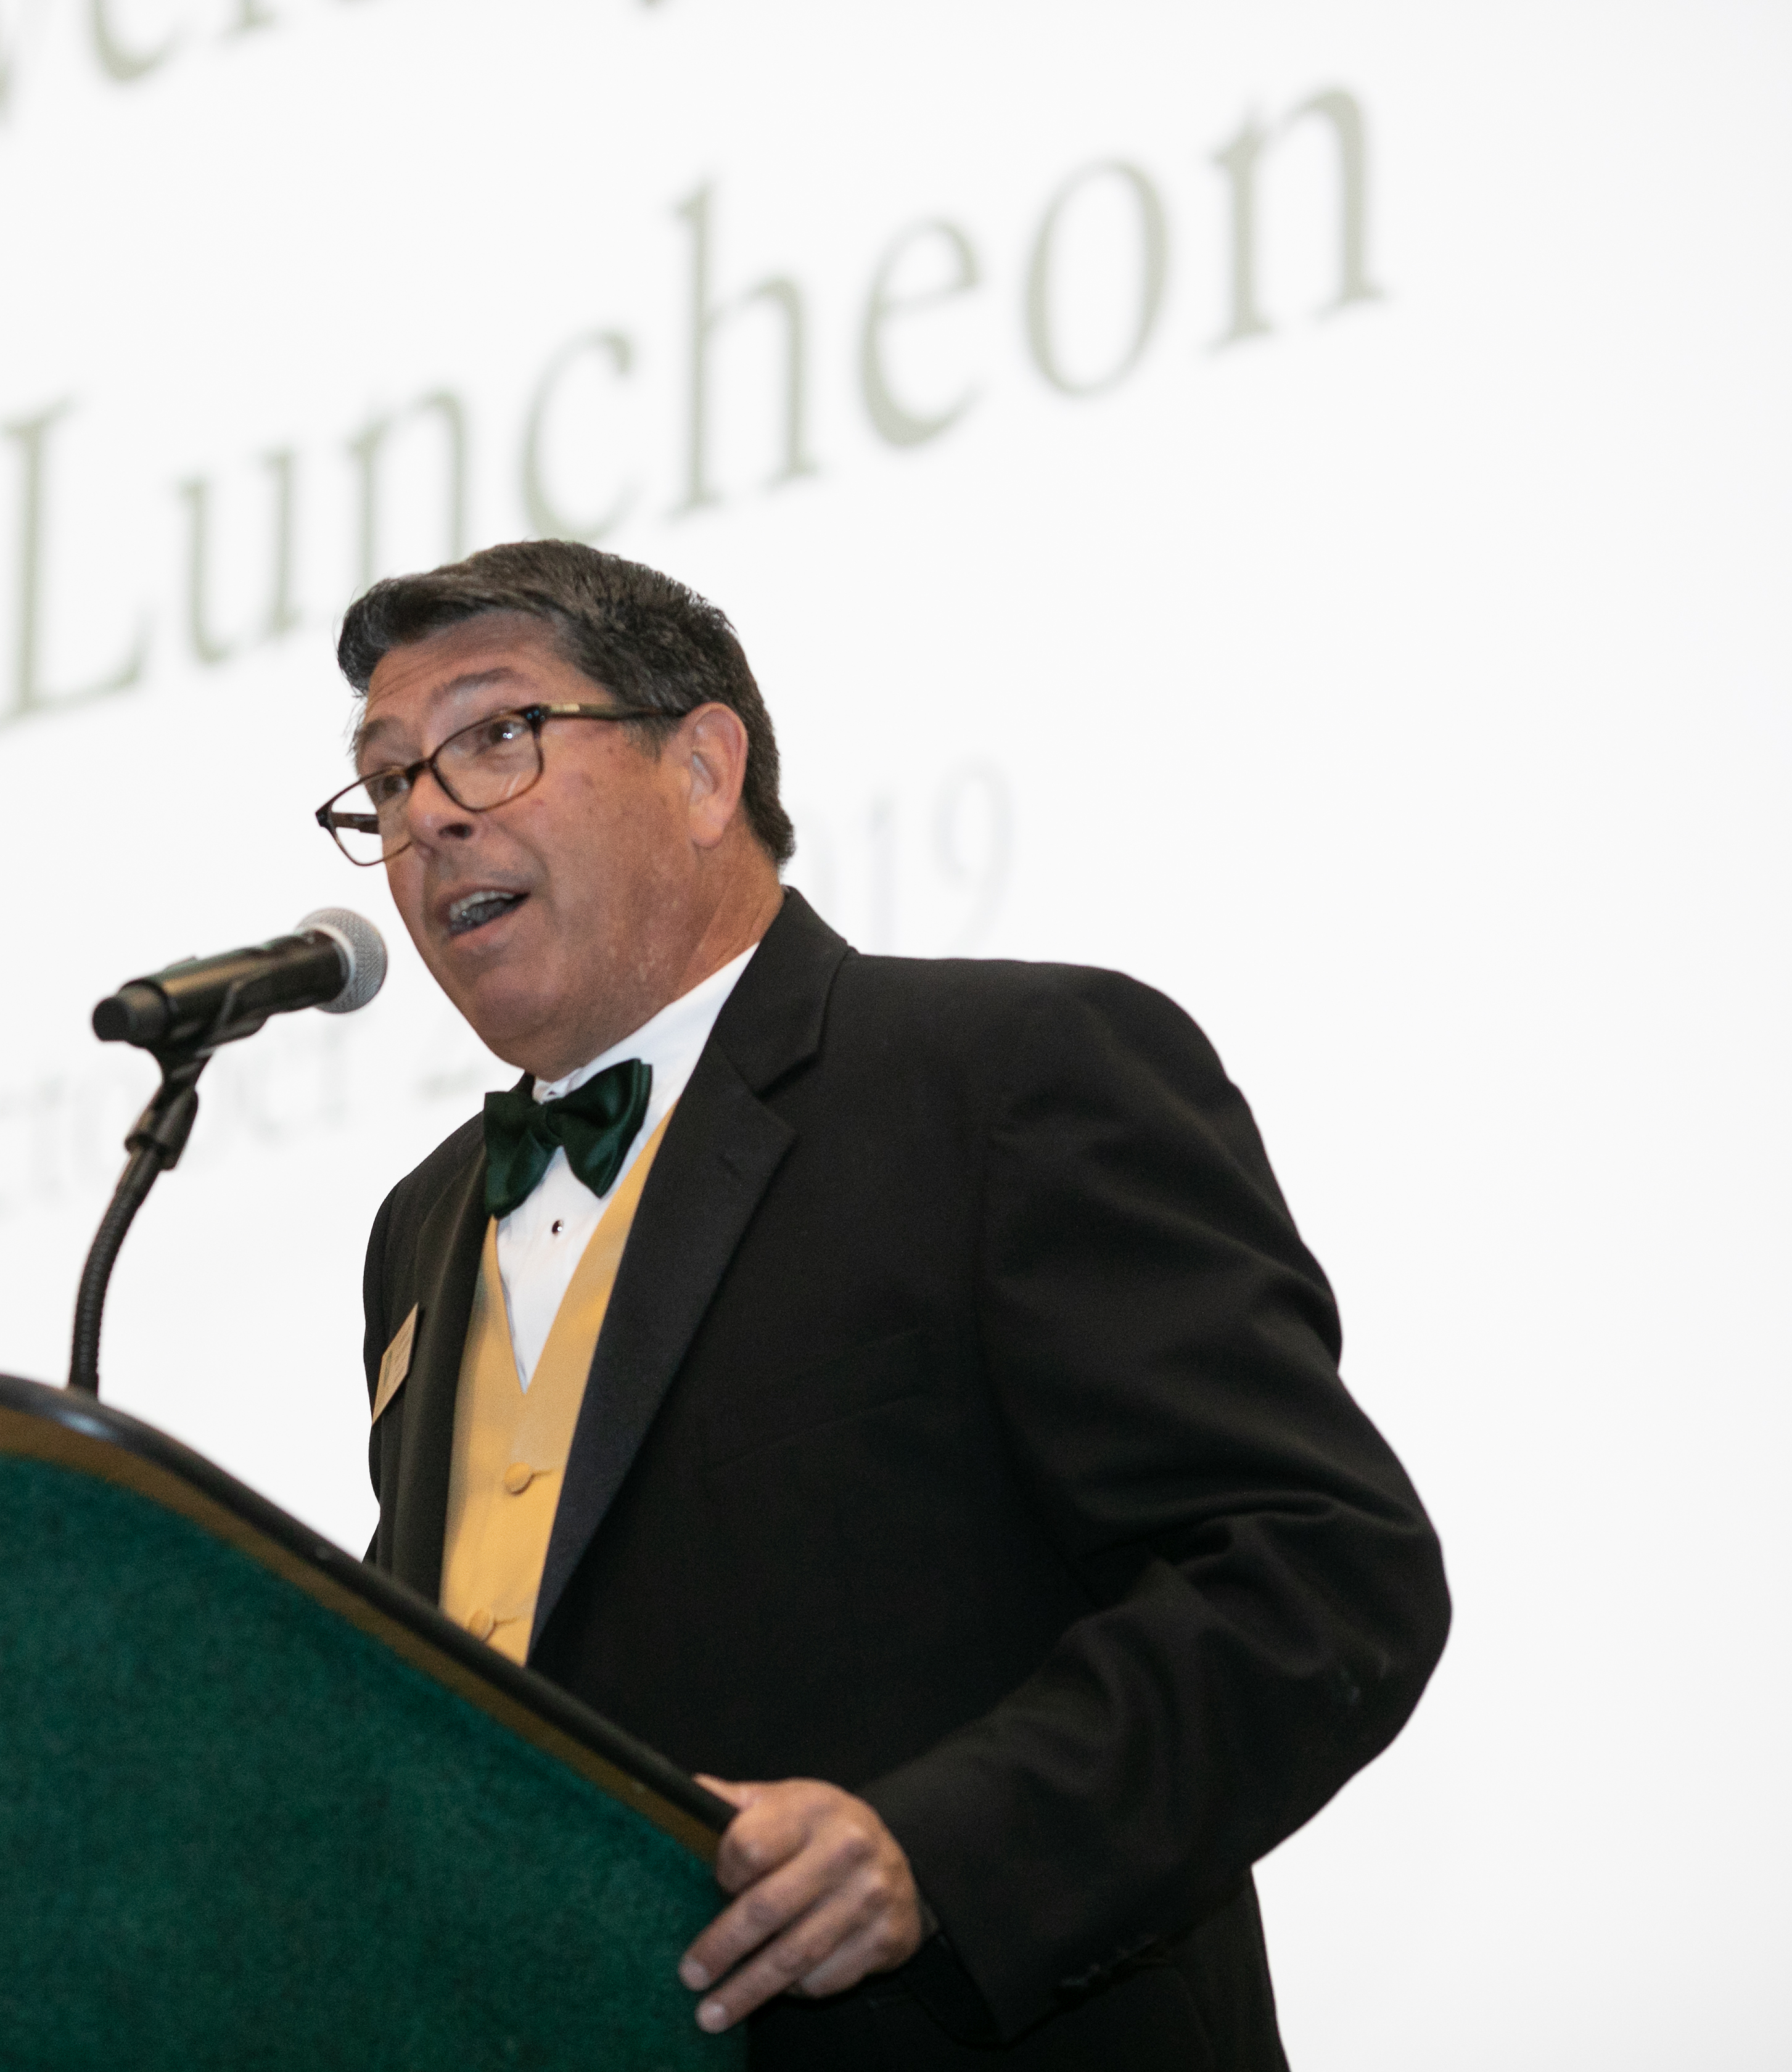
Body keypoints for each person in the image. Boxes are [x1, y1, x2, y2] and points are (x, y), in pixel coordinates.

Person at [323, 541, 1449, 2068]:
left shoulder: (1009, 1075)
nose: (428, 814)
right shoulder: (425, 1225)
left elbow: (1321, 1575)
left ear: (706, 766)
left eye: (495, 736)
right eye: (386, 782)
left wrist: (938, 1849)